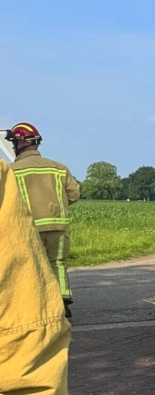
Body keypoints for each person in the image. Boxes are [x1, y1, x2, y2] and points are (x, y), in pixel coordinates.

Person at [0, 157, 71, 395]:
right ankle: (63, 297)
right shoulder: (54, 167)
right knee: (55, 266)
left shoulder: (15, 168)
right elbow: (24, 346)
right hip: (49, 226)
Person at [4, 123, 80, 317]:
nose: (12, 146)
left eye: (13, 142)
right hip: (58, 226)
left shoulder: (10, 171)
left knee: (30, 265)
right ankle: (62, 300)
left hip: (27, 229)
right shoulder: (59, 168)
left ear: (20, 143)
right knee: (58, 263)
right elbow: (73, 194)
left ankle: (37, 306)